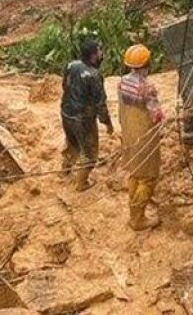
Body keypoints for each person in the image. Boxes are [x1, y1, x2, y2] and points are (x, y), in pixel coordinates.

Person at [119, 44, 164, 231]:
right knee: (148, 177)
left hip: (129, 134)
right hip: (145, 137)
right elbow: (156, 116)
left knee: (135, 172)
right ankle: (137, 218)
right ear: (147, 63)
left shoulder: (122, 82)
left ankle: (134, 205)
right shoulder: (147, 88)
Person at [60, 39, 113, 192]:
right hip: (83, 118)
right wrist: (107, 122)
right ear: (93, 55)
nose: (102, 53)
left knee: (72, 142)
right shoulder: (94, 75)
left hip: (66, 112)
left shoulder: (71, 65)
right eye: (99, 51)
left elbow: (65, 86)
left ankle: (65, 169)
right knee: (90, 153)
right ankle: (81, 183)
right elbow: (100, 103)